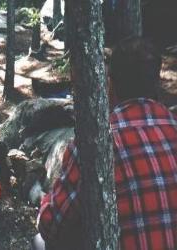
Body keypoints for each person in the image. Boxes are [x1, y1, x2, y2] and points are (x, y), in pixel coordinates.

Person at [34, 37, 177, 250]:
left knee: (39, 242)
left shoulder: (95, 144)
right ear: (156, 83)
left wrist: (42, 199)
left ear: (111, 84)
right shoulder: (172, 127)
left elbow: (50, 224)